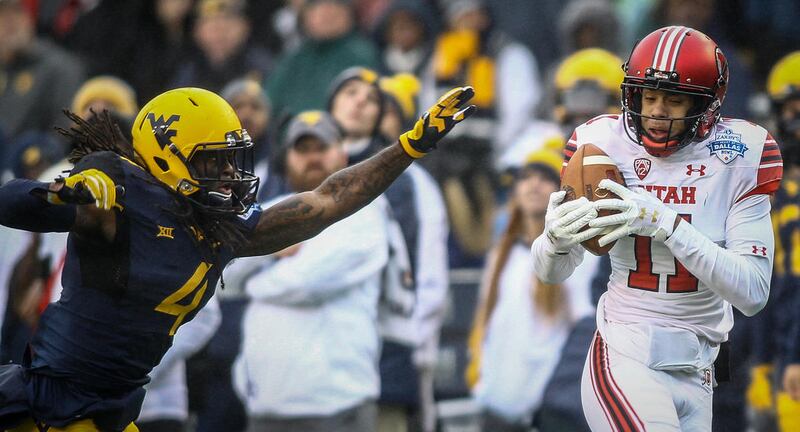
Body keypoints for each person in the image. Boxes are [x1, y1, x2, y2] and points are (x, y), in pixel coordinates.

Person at [0, 83, 475, 431]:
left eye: (231, 159)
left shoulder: (221, 229)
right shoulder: (120, 194)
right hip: (57, 404)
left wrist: (407, 148)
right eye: (213, 160)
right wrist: (60, 196)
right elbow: (12, 202)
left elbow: (329, 200)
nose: (229, 172)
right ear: (167, 156)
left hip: (111, 406)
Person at [530, 26, 782, 431]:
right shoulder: (601, 143)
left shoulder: (737, 155)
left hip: (700, 368)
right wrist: (554, 242)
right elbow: (551, 273)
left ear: (706, 104)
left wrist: (665, 223)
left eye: (674, 99)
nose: (657, 111)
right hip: (627, 353)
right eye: (648, 96)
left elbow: (752, 293)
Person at [233, 110, 388, 432]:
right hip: (266, 406)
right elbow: (224, 274)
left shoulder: (365, 213)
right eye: (302, 149)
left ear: (343, 154)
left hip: (336, 404)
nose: (313, 157)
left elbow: (307, 282)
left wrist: (255, 278)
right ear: (286, 158)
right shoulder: (270, 210)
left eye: (322, 147)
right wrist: (271, 252)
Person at [467, 149, 598, 432]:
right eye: (526, 177)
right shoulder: (502, 255)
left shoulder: (577, 255)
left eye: (545, 178)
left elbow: (583, 331)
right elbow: (486, 324)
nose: (534, 185)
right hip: (496, 406)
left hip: (544, 413)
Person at [748, 51, 800, 432]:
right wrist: (762, 362)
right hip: (782, 350)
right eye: (791, 110)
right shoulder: (774, 188)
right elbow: (766, 284)